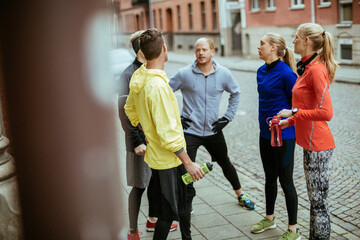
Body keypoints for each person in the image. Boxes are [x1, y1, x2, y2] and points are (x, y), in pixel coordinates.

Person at [125, 28, 204, 240]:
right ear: (164, 49)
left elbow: (129, 110)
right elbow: (169, 135)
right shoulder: (157, 86)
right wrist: (188, 162)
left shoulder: (139, 77)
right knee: (168, 214)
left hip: (157, 158)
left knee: (181, 203)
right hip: (170, 162)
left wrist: (146, 127)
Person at [169, 38, 255, 210]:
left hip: (213, 130)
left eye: (204, 50)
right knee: (187, 169)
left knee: (225, 162)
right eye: (197, 50)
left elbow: (236, 94)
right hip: (190, 131)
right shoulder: (184, 73)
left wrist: (227, 118)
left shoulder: (224, 74)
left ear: (213, 51)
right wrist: (177, 118)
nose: (200, 53)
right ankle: (187, 205)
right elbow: (164, 93)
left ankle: (240, 194)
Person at [277, 23, 338, 240]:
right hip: (310, 144)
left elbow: (325, 112)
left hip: (319, 145)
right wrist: (290, 121)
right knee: (315, 201)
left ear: (306, 42)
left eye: (296, 37)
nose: (292, 40)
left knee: (319, 203)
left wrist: (293, 112)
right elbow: (308, 106)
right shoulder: (308, 67)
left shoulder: (317, 70)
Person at [118, 30, 177, 240]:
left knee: (154, 184)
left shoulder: (146, 70)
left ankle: (153, 219)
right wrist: (136, 141)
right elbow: (124, 111)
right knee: (139, 187)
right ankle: (132, 231)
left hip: (153, 144)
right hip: (139, 144)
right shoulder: (129, 74)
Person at [251, 32, 300, 240]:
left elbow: (298, 107)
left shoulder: (287, 74)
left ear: (274, 48)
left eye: (262, 44)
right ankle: (269, 219)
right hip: (265, 134)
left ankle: (293, 229)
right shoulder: (261, 71)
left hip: (285, 135)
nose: (258, 46)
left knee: (286, 181)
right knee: (269, 177)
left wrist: (286, 120)